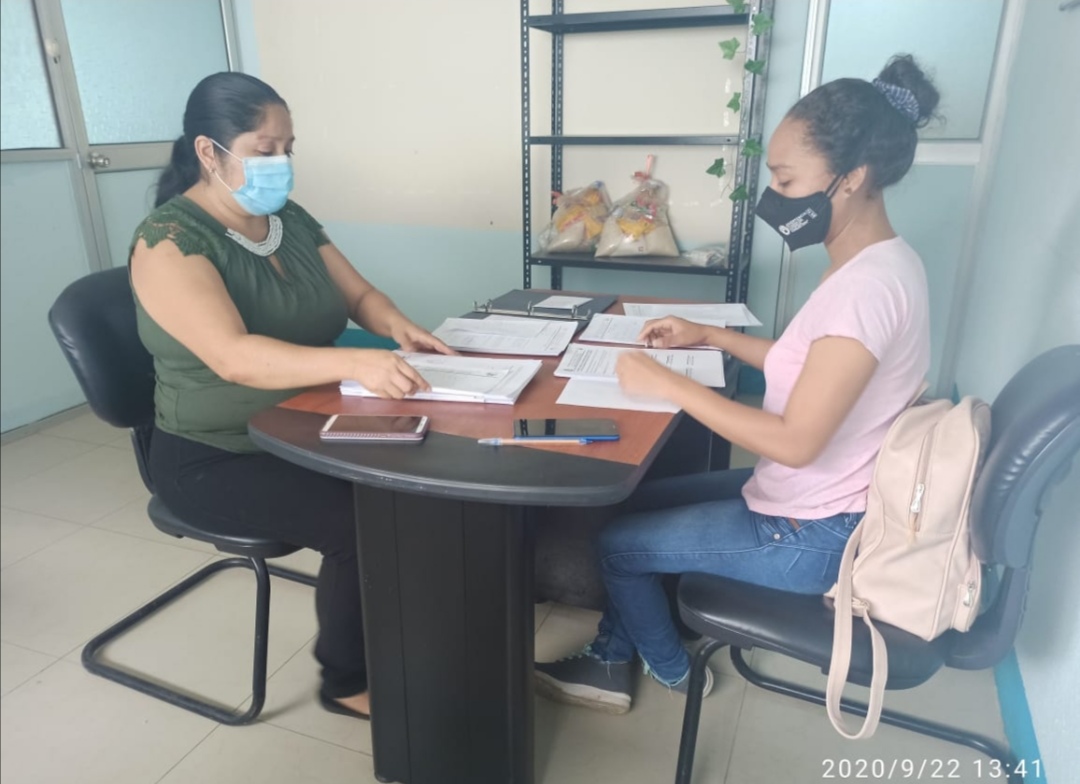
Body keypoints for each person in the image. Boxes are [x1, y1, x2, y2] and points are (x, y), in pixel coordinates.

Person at [535, 54, 940, 714]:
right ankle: (620, 645)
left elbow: (796, 440)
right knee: (635, 501)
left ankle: (666, 669)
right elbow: (816, 367)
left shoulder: (864, 290)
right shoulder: (884, 264)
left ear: (851, 178)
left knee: (614, 545)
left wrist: (667, 384)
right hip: (817, 502)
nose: (773, 194)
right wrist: (713, 337)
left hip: (810, 531)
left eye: (785, 178)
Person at [129, 72, 452, 720]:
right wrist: (356, 359)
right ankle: (346, 680)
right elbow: (233, 357)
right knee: (364, 522)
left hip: (311, 421)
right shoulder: (170, 241)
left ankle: (418, 630)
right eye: (264, 149)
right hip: (214, 455)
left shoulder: (288, 220)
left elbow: (360, 295)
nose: (281, 163)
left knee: (426, 479)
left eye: (288, 148)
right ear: (208, 152)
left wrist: (397, 326)